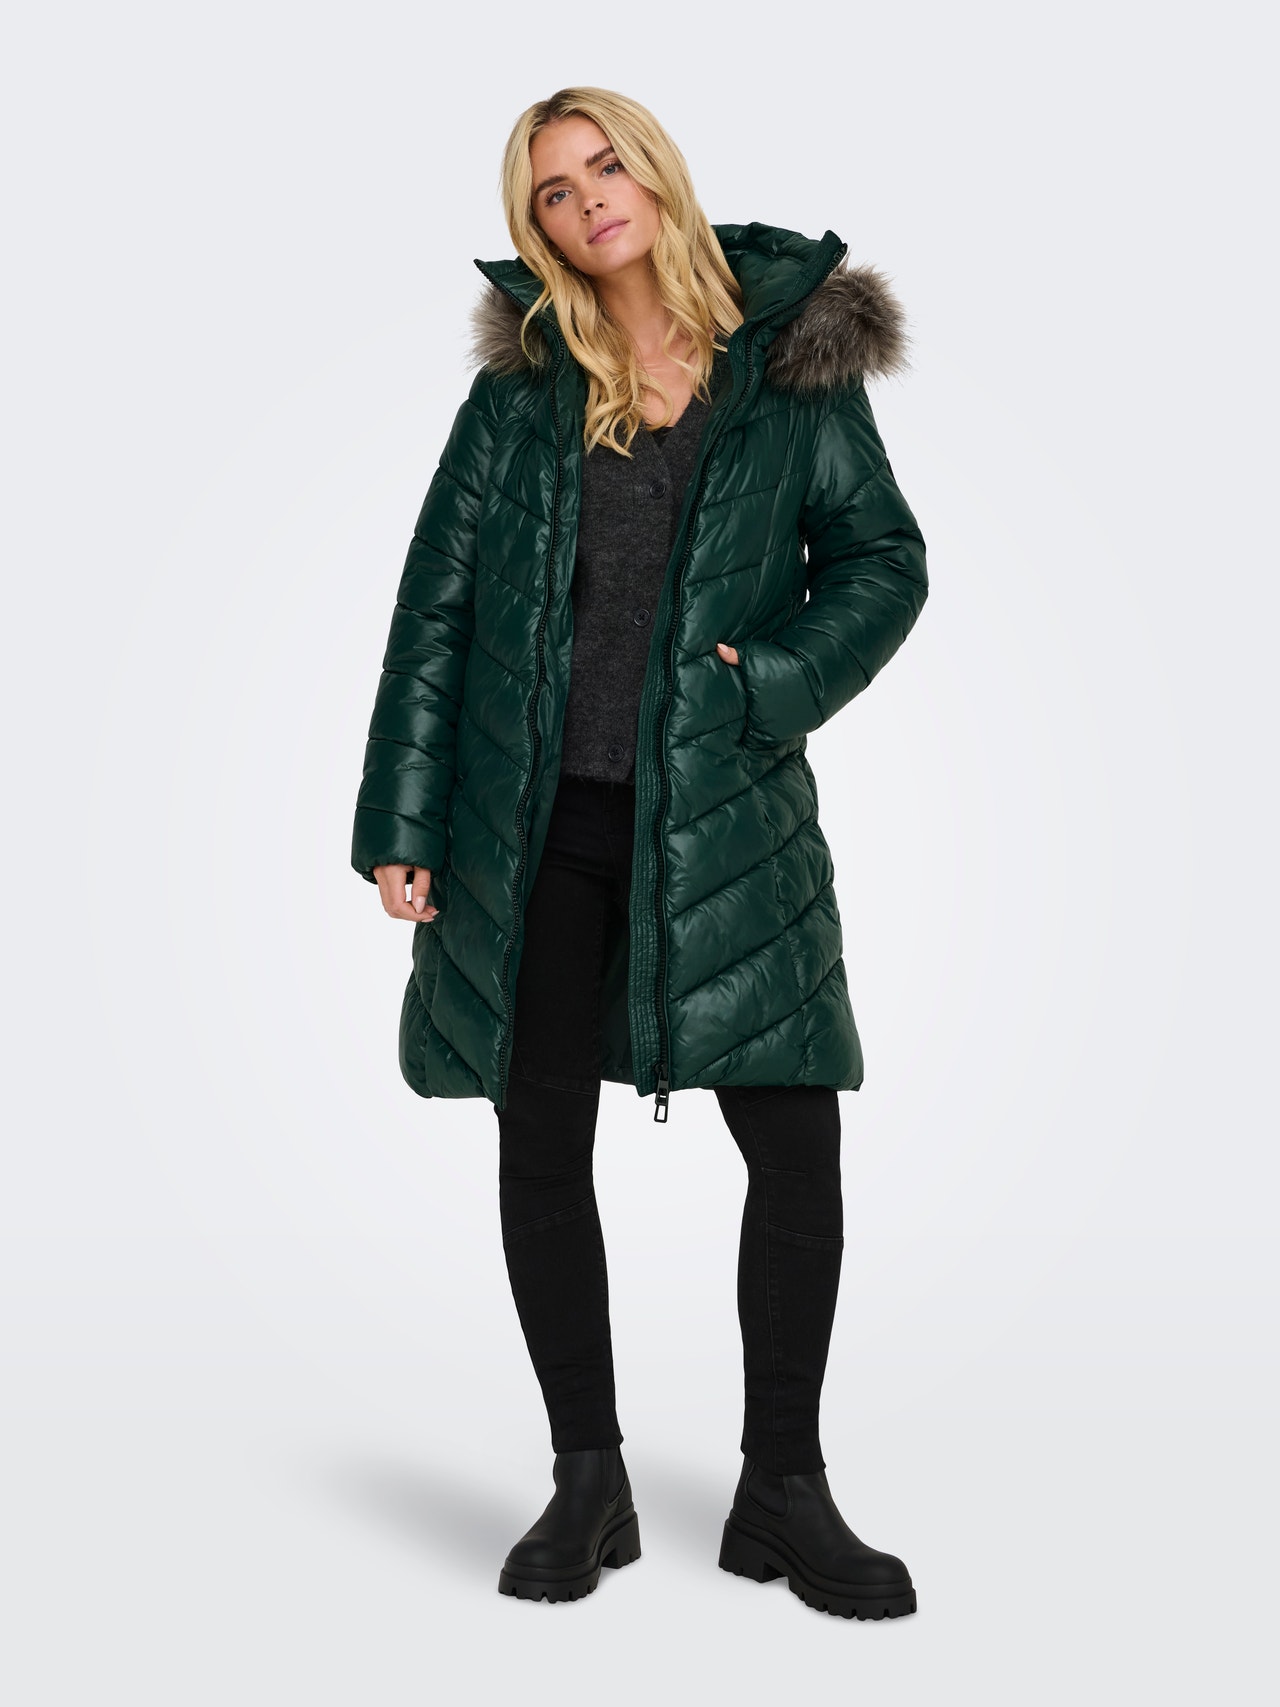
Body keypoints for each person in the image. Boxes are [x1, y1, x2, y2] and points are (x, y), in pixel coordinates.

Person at [351, 86, 929, 1619]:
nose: (587, 200)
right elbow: (437, 609)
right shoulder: (525, 390)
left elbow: (881, 560)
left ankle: (784, 1488)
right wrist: (403, 822)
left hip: (731, 818)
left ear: (656, 173)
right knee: (540, 1140)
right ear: (536, 226)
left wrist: (771, 685)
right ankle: (586, 1479)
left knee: (794, 1147)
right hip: (533, 826)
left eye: (605, 166)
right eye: (553, 190)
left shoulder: (787, 367)